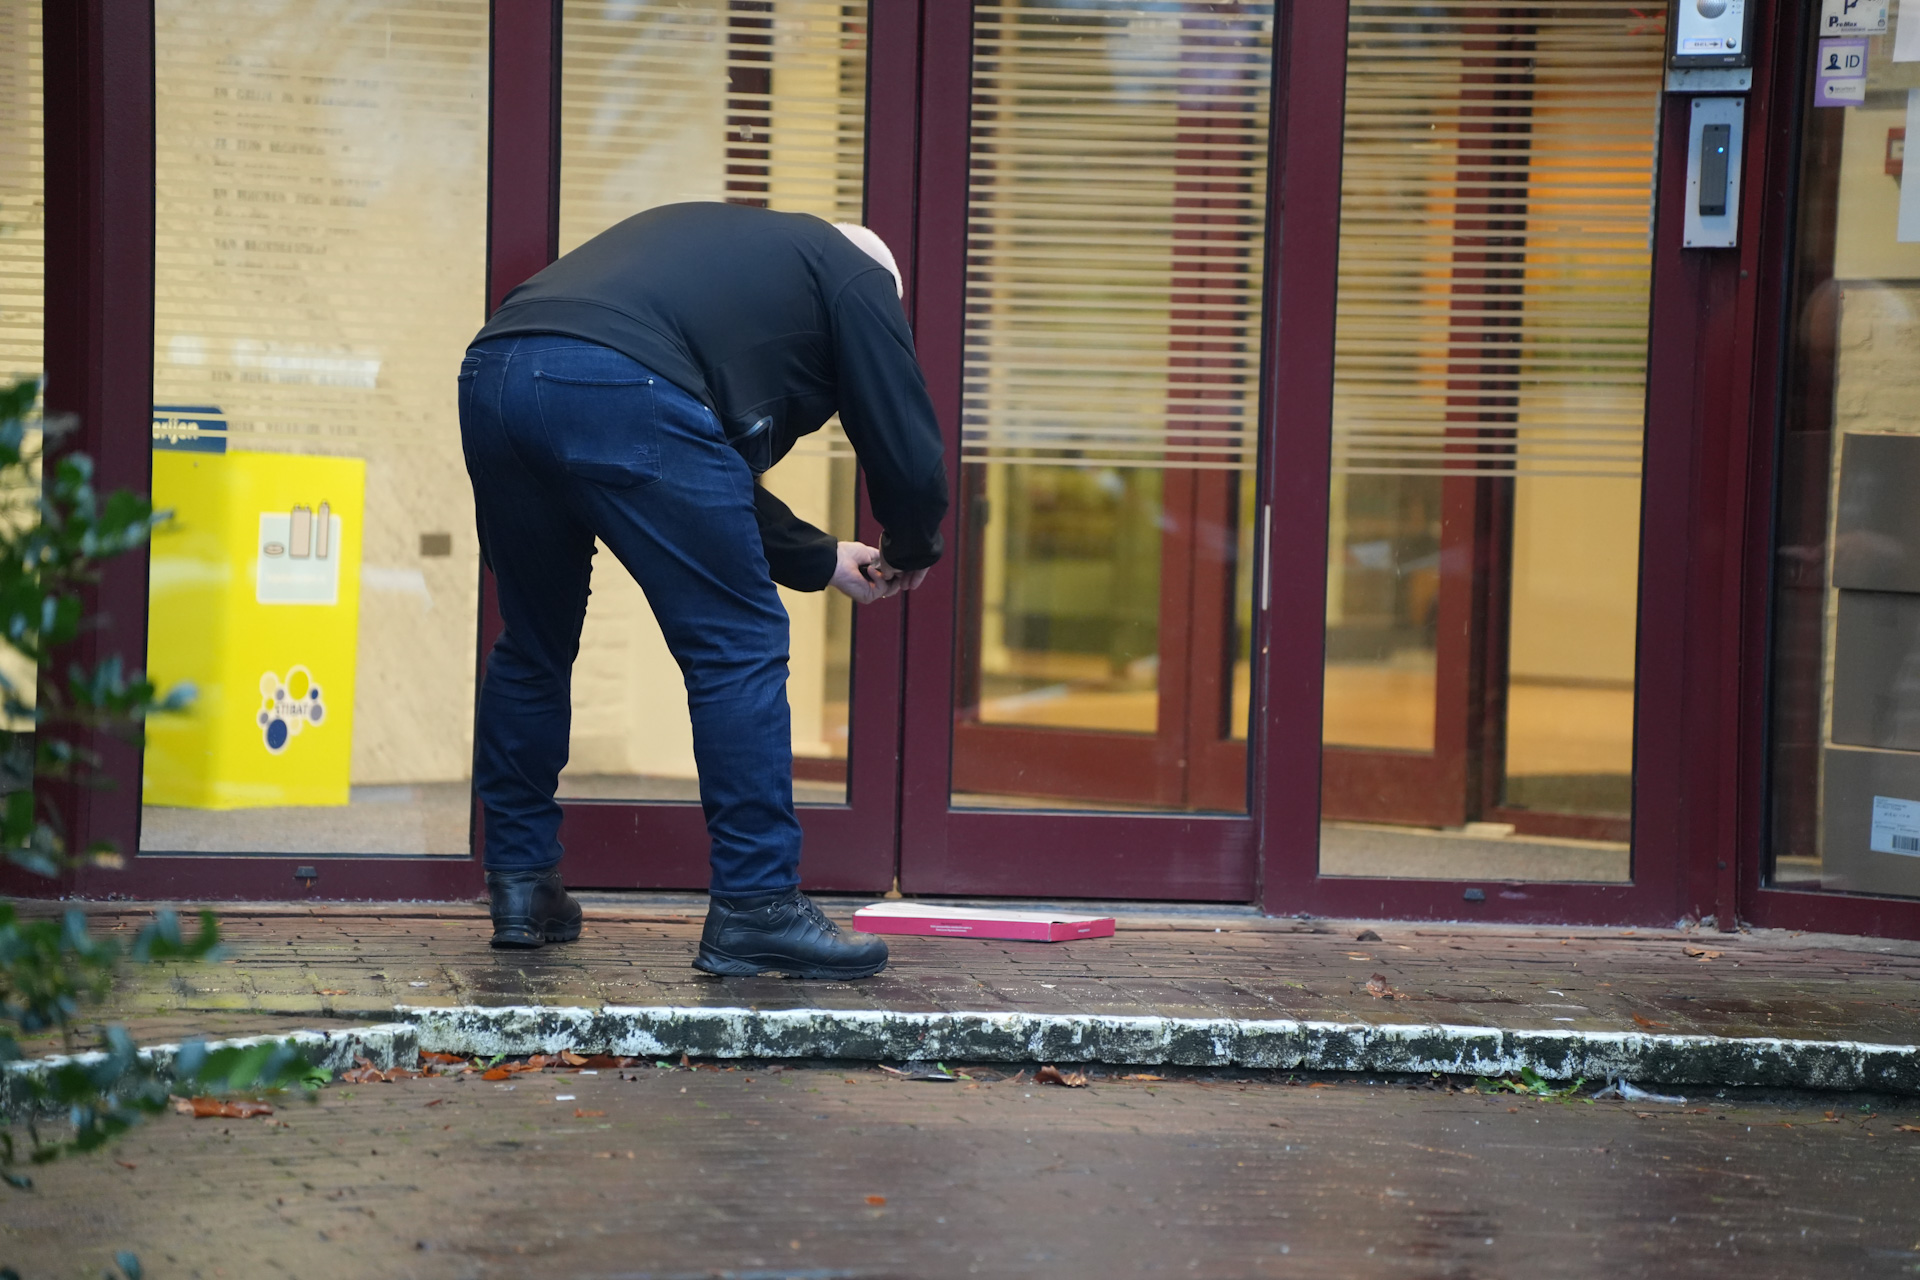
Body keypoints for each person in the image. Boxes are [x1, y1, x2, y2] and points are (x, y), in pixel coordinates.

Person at [457, 201, 948, 979]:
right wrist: (915, 541)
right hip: (616, 384)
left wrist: (819, 557)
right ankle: (757, 905)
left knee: (533, 643)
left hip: (498, 374)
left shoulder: (732, 263)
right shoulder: (855, 270)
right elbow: (902, 436)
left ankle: (523, 886)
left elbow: (705, 466)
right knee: (738, 645)